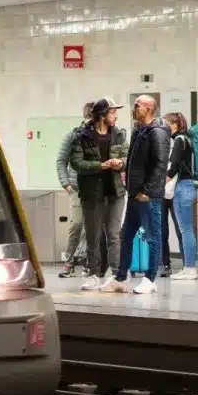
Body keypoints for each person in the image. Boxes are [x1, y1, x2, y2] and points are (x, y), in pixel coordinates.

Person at [111, 95, 170, 295]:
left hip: (147, 196)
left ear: (149, 109)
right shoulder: (139, 130)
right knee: (126, 235)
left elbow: (160, 165)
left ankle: (150, 279)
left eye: (138, 105)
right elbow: (134, 161)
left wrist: (148, 191)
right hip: (134, 195)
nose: (133, 108)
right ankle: (120, 277)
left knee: (153, 238)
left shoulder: (158, 133)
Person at [68, 99, 127, 290]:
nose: (115, 116)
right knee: (93, 235)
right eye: (112, 112)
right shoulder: (81, 136)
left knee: (113, 235)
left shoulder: (118, 134)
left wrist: (120, 163)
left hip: (115, 191)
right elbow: (76, 163)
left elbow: (127, 157)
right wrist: (100, 165)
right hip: (92, 193)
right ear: (102, 115)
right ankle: (93, 274)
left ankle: (117, 275)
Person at [53, 102, 95, 277]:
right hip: (77, 188)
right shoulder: (72, 135)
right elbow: (61, 161)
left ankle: (89, 263)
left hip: (97, 189)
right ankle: (69, 263)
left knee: (93, 227)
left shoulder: (102, 135)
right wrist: (67, 185)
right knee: (76, 225)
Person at [163, 112, 198, 280]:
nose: (164, 128)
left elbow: (173, 167)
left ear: (175, 125)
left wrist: (160, 182)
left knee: (186, 230)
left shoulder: (179, 140)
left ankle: (190, 268)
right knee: (187, 229)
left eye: (166, 125)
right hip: (188, 186)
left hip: (183, 187)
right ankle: (188, 267)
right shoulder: (188, 140)